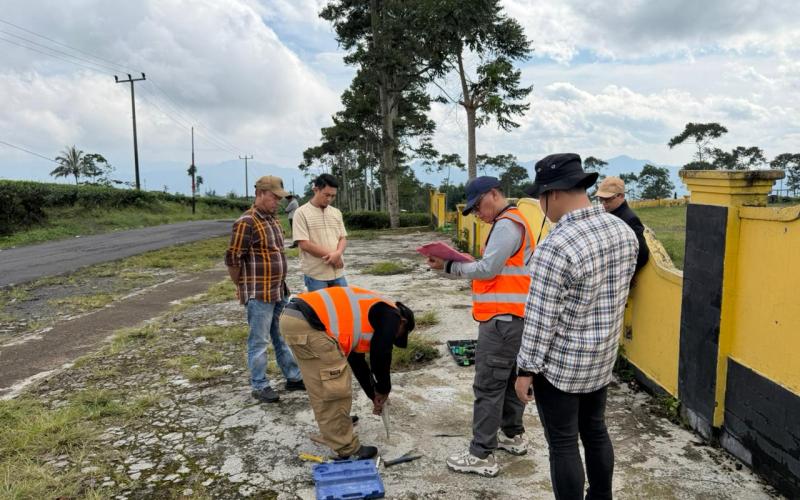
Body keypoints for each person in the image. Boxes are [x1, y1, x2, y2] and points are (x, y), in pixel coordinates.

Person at [514, 154, 638, 500]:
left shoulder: (555, 247)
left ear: (552, 193)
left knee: (564, 442)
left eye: (540, 197)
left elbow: (540, 320)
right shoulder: (623, 231)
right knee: (596, 431)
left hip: (562, 367)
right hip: (601, 358)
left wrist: (525, 370)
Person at [427, 176, 535, 477]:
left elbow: (488, 270)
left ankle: (481, 454)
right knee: (510, 379)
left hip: (502, 321)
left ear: (493, 194)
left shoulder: (506, 225)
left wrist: (450, 266)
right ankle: (511, 435)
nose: (477, 213)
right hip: (514, 318)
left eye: (478, 206)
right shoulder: (514, 222)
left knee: (488, 386)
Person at [279, 285, 416, 460]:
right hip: (311, 324)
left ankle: (336, 427)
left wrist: (373, 394)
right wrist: (384, 388)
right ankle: (346, 448)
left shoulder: (367, 313)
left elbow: (358, 363)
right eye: (399, 335)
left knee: (321, 385)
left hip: (293, 319)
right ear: (403, 322)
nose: (394, 338)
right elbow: (381, 352)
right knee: (336, 388)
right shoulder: (392, 314)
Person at [224, 175, 305, 404]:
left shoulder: (273, 219)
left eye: (279, 198)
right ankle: (259, 385)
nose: (277, 201)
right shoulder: (246, 222)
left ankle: (293, 376)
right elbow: (233, 259)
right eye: (274, 197)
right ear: (260, 193)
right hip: (259, 293)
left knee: (281, 336)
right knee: (259, 341)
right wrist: (241, 286)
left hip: (278, 290)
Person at [292, 174, 348, 291]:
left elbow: (342, 238)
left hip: (338, 273)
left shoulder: (336, 213)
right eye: (326, 195)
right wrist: (333, 256)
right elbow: (304, 244)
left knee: (343, 302)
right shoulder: (301, 213)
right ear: (316, 190)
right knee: (320, 304)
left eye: (333, 196)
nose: (329, 199)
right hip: (316, 276)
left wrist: (338, 254)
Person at [595, 176, 650, 274]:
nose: (603, 203)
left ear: (621, 196)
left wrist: (623, 272)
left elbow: (642, 255)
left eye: (608, 199)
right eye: (601, 199)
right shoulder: (606, 214)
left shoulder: (630, 219)